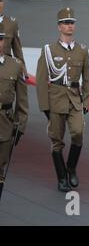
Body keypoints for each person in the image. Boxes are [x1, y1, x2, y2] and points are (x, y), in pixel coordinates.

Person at [36, 8, 89, 192]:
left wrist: (86, 102)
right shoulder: (49, 50)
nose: (70, 25)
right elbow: (42, 80)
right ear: (59, 26)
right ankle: (61, 178)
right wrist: (45, 107)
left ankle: (71, 168)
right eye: (66, 22)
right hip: (56, 100)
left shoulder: (82, 50)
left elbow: (87, 78)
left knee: (77, 133)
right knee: (56, 140)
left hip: (75, 100)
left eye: (72, 22)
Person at [0, 29, 28, 200]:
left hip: (5, 121)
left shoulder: (15, 65)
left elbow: (22, 100)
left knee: (1, 167)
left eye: (1, 39)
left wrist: (21, 125)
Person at [0, 0, 27, 77]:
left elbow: (17, 50)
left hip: (6, 69)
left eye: (0, 0)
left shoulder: (11, 23)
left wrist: (23, 72)